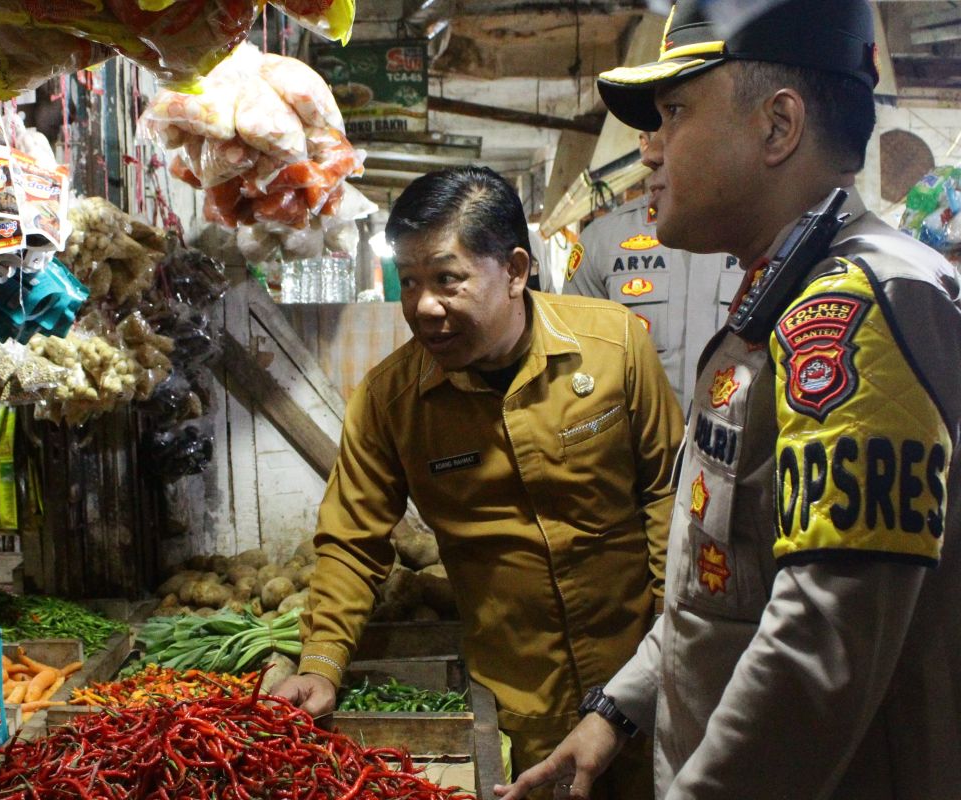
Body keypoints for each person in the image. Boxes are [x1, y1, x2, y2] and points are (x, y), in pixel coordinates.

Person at [496, 1, 961, 798]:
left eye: (675, 112)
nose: (651, 152)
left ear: (778, 127)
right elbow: (727, 579)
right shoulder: (780, 296)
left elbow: (819, 649)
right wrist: (618, 710)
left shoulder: (856, 311)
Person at [273, 166, 685, 799]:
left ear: (516, 270)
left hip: (645, 685)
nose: (422, 306)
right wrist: (323, 661)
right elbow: (353, 541)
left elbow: (669, 496)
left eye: (447, 279)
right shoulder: (392, 401)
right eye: (408, 282)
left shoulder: (614, 349)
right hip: (522, 708)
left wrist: (665, 652)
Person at [564, 132, 740, 410]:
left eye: (675, 122)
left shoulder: (762, 232)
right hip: (639, 448)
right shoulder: (603, 241)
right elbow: (579, 373)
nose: (650, 156)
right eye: (650, 137)